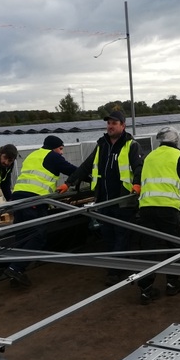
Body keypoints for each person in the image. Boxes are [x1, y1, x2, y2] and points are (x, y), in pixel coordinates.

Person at [64, 110, 144, 286]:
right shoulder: (102, 145)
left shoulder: (131, 145)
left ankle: (114, 271)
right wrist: (68, 183)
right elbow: (86, 166)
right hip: (104, 200)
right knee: (108, 236)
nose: (110, 126)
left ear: (123, 125)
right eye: (108, 123)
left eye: (114, 123)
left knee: (122, 235)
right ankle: (120, 264)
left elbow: (139, 167)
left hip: (123, 201)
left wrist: (137, 184)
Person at [136, 126, 180, 305]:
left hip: (146, 208)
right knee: (174, 245)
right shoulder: (178, 155)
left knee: (148, 248)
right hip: (167, 208)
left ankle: (145, 290)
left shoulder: (150, 155)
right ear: (176, 140)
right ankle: (173, 283)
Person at [3, 135, 77, 287]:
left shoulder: (33, 154)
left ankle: (14, 273)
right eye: (60, 149)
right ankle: (15, 268)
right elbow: (72, 170)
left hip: (18, 198)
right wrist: (94, 179)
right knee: (38, 237)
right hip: (34, 200)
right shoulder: (52, 156)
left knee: (22, 237)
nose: (61, 153)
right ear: (54, 147)